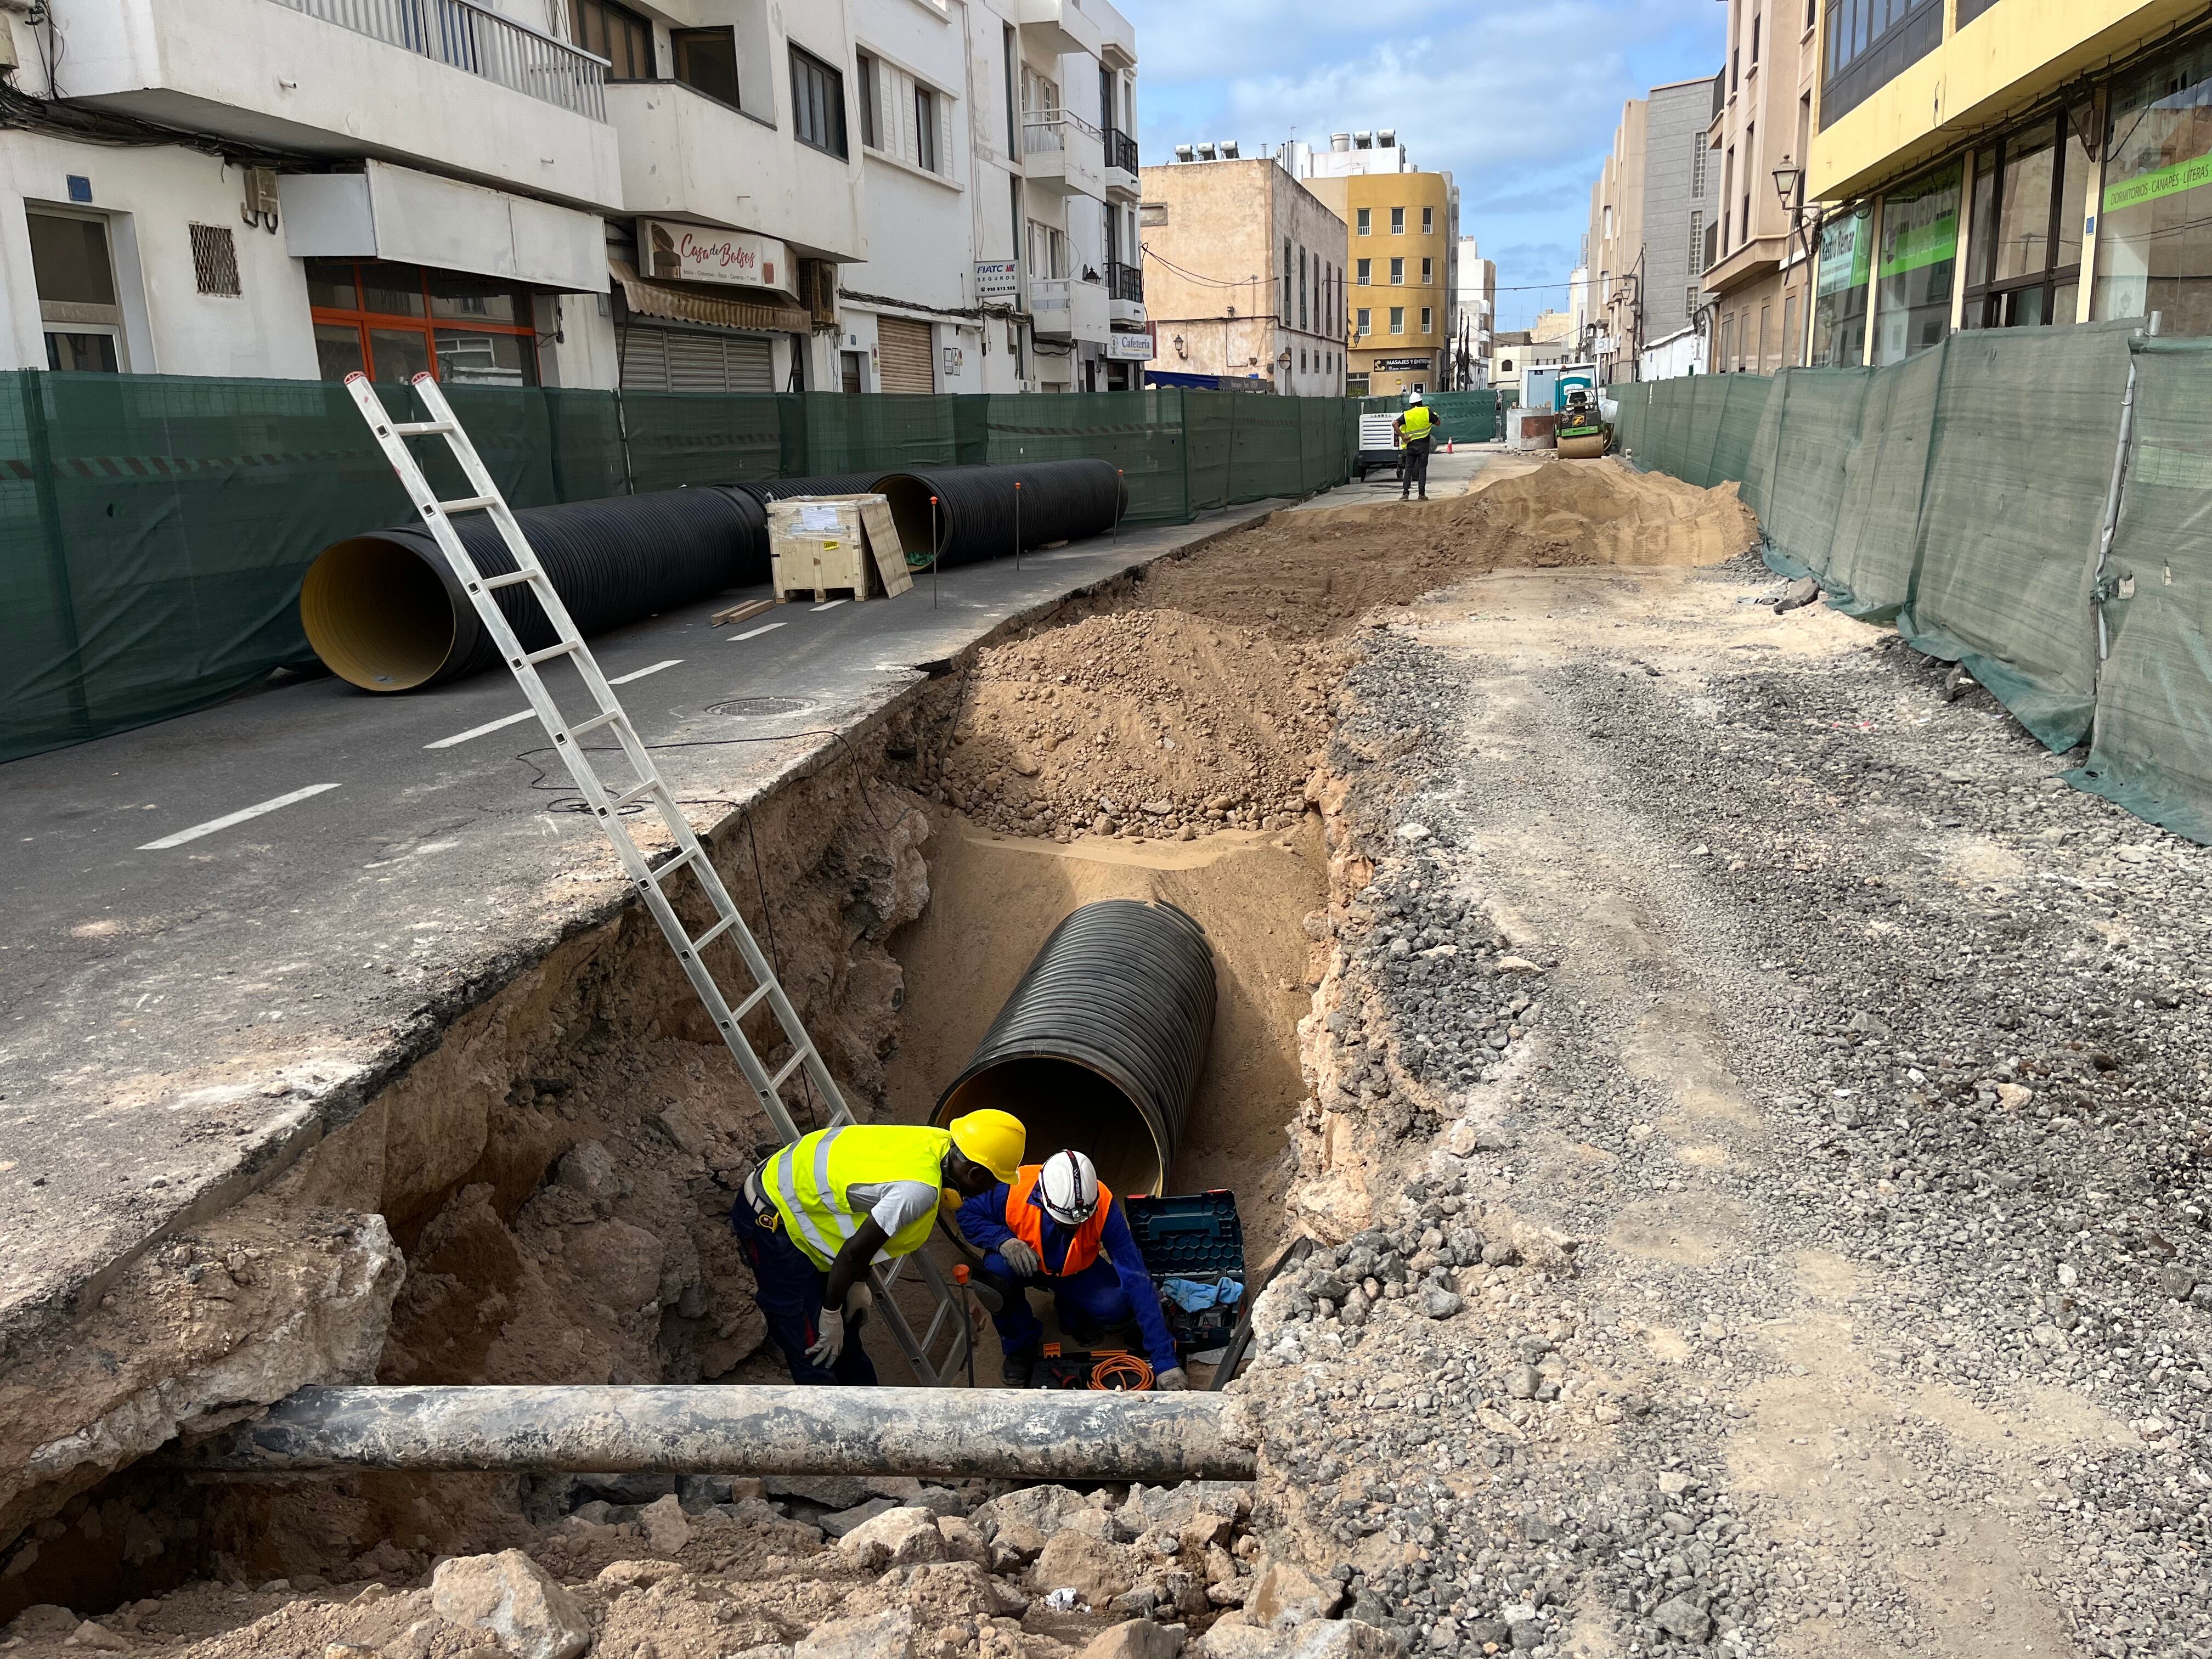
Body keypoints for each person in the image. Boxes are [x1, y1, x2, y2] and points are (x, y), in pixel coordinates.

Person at [732, 1111, 1025, 1385]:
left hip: (800, 1202)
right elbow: (853, 1253)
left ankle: (870, 1412)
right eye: (993, 1182)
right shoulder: (918, 1190)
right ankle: (831, 1434)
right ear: (974, 1173)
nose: (991, 1191)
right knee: (812, 1343)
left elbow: (864, 1221)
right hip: (772, 1220)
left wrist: (855, 1283)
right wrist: (832, 1311)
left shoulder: (940, 1142)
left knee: (846, 1333)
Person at [957, 1149, 1187, 1390]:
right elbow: (964, 1213)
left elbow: (1136, 1278)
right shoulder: (1011, 1187)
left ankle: (1069, 1307)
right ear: (1042, 1199)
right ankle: (1020, 1345)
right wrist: (1004, 1241)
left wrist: (1164, 1362)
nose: (1075, 1227)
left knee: (1116, 1305)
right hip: (1023, 1263)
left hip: (1074, 1268)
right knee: (995, 1279)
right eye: (1065, 1222)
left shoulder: (1104, 1206)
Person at [1393, 393, 1435, 501]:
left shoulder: (1407, 414)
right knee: (1422, 469)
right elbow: (1438, 422)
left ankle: (1405, 494)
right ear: (1421, 402)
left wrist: (1403, 436)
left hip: (1411, 445)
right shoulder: (1427, 411)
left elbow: (1395, 424)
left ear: (1411, 404)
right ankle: (1421, 494)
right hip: (1424, 446)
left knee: (1408, 469)